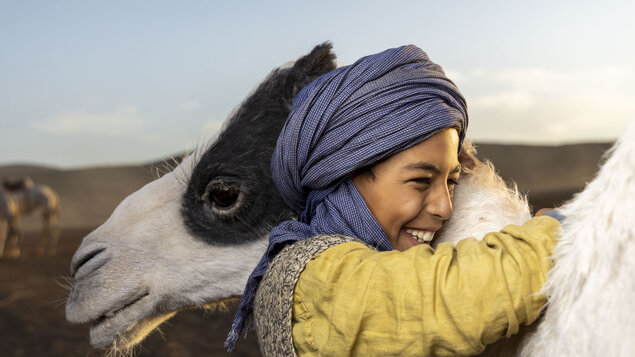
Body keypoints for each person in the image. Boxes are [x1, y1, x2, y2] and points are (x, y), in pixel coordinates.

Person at [225, 45, 561, 356]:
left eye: (452, 181)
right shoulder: (308, 279)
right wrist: (563, 232)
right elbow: (440, 302)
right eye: (420, 181)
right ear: (342, 174)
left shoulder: (373, 257)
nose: (444, 208)